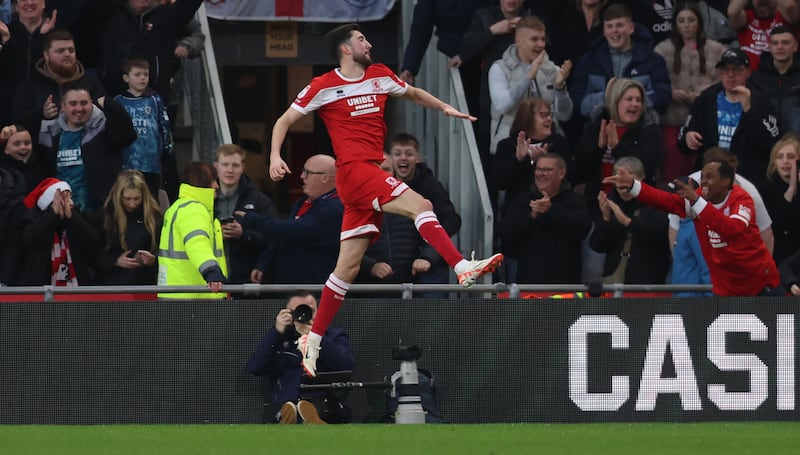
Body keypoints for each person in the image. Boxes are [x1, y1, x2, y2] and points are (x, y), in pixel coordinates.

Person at [267, 23, 503, 376]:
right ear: (346, 49)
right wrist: (274, 155)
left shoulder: (379, 75)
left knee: (345, 269)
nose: (369, 43)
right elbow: (284, 120)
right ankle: (460, 266)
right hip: (356, 171)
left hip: (364, 176)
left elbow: (413, 93)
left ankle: (312, 339)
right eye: (362, 39)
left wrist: (445, 108)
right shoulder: (323, 85)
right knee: (422, 205)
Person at [604, 159, 781, 296]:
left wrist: (697, 202)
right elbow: (665, 200)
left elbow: (733, 229)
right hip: (726, 289)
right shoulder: (697, 199)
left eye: (710, 178)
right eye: (702, 177)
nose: (703, 182)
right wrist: (634, 185)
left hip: (760, 284)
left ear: (727, 181)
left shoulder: (742, 199)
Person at [668, 147, 775, 295]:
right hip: (695, 233)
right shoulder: (689, 185)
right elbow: (674, 227)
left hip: (731, 248)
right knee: (687, 292)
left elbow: (765, 232)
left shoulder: (748, 192)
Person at [677, 47, 781, 188]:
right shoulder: (706, 99)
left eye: (737, 70)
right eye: (725, 70)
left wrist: (749, 110)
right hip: (710, 177)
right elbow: (683, 140)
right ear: (720, 73)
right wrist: (687, 137)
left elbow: (771, 144)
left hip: (748, 179)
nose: (730, 75)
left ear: (748, 72)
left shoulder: (761, 101)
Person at [247, 291, 354, 424]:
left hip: (325, 403)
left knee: (315, 408)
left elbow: (346, 365)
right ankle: (293, 416)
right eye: (297, 311)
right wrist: (276, 332)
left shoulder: (333, 335)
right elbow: (256, 368)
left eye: (310, 311)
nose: (304, 315)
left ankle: (305, 418)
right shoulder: (279, 339)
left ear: (319, 312)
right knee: (289, 408)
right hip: (287, 400)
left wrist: (317, 338)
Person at [239, 154, 342, 288]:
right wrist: (263, 264)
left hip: (313, 290)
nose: (302, 177)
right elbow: (282, 238)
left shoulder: (333, 209)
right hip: (289, 285)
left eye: (307, 173)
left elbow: (293, 230)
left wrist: (251, 219)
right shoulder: (302, 202)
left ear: (325, 178)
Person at [37, 81, 136, 216]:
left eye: (84, 103)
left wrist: (109, 104)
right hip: (62, 214)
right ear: (63, 106)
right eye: (73, 104)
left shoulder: (104, 127)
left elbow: (127, 136)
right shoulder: (52, 131)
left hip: (102, 214)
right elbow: (42, 165)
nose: (79, 108)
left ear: (91, 103)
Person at [653, 1, 726, 182]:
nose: (686, 25)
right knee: (673, 172)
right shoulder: (662, 50)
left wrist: (703, 94)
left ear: (699, 22)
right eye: (682, 20)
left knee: (702, 172)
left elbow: (722, 82)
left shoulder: (717, 50)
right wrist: (671, 92)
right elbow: (655, 81)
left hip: (704, 120)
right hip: (672, 119)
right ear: (675, 24)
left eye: (691, 20)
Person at [574, 78, 663, 219]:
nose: (635, 104)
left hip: (634, 209)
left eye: (639, 100)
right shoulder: (597, 125)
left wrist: (617, 146)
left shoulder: (648, 130)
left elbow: (646, 166)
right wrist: (599, 148)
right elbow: (580, 168)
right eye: (629, 99)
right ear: (615, 101)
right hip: (595, 204)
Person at [497, 153, 591, 283]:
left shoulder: (574, 200)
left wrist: (550, 211)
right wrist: (532, 216)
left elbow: (582, 229)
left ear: (561, 174)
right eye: (538, 169)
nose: (541, 174)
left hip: (565, 283)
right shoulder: (523, 200)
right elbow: (505, 233)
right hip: (528, 283)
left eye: (547, 170)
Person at [487, 15, 572, 155]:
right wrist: (527, 77)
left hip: (547, 148)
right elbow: (503, 106)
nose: (540, 44)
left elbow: (565, 115)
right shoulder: (499, 68)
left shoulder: (552, 70)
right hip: (510, 147)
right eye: (534, 39)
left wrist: (560, 87)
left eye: (543, 39)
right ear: (518, 40)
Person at [569, 3, 672, 119]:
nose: (614, 31)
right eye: (609, 26)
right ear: (604, 31)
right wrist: (606, 97)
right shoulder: (588, 61)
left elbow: (663, 97)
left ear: (631, 28)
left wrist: (629, 100)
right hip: (600, 130)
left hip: (642, 131)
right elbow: (577, 103)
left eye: (619, 25)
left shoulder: (653, 60)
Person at [100, 0, 203, 104]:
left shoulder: (168, 15)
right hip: (113, 95)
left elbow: (189, 4)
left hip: (156, 98)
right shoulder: (111, 13)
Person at [12, 29, 106, 137]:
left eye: (71, 50)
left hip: (86, 145)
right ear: (46, 55)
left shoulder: (90, 82)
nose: (67, 54)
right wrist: (42, 114)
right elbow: (18, 121)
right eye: (60, 51)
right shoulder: (31, 84)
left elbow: (105, 115)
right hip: (45, 148)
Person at [590, 157, 670, 284]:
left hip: (647, 281)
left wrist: (628, 222)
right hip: (615, 280)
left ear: (642, 178)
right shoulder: (609, 203)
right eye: (618, 178)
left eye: (628, 178)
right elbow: (597, 246)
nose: (623, 185)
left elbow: (663, 237)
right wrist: (605, 219)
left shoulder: (655, 203)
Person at [157, 161, 227, 299]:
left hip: (179, 293)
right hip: (195, 296)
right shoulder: (194, 210)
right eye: (213, 181)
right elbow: (197, 244)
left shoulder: (178, 207)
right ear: (203, 183)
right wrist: (211, 271)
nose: (217, 186)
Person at [213, 144, 277, 286]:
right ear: (216, 166)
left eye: (235, 165)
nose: (230, 170)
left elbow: (274, 238)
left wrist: (244, 235)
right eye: (225, 164)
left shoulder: (259, 200)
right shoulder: (207, 200)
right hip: (213, 280)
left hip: (247, 279)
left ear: (242, 167)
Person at [18, 177, 100, 286]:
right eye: (62, 198)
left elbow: (94, 240)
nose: (67, 202)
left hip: (77, 282)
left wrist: (73, 217)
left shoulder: (75, 215)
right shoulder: (34, 217)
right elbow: (29, 238)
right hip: (41, 281)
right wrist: (52, 214)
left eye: (68, 197)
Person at [114, 57, 174, 198]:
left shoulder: (155, 99)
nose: (143, 78)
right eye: (137, 74)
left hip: (151, 163)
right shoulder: (118, 101)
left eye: (146, 74)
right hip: (127, 164)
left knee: (151, 200)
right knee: (128, 199)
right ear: (126, 78)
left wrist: (167, 152)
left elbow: (165, 127)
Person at [98, 169, 162, 285]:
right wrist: (114, 261)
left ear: (144, 196)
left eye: (137, 199)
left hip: (144, 282)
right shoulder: (107, 215)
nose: (132, 204)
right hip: (112, 283)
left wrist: (154, 261)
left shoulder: (154, 216)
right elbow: (93, 252)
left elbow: (164, 253)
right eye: (127, 199)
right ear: (119, 196)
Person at [749, 26, 800, 135]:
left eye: (785, 43)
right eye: (775, 43)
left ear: (795, 47)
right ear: (770, 47)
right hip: (765, 140)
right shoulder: (756, 78)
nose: (780, 47)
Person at [727, 0, 799, 70]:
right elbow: (732, 12)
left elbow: (789, 6)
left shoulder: (786, 18)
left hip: (780, 77)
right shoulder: (747, 18)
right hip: (750, 79)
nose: (762, 1)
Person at [763, 133, 800, 264]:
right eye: (779, 157)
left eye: (791, 157)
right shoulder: (767, 190)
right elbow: (774, 226)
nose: (785, 161)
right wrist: (791, 190)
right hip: (778, 258)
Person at [0, 124, 46, 192]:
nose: (23, 147)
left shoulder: (41, 165)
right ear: (6, 149)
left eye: (27, 143)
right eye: (17, 144)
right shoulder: (3, 171)